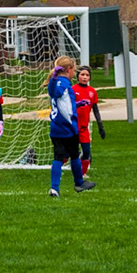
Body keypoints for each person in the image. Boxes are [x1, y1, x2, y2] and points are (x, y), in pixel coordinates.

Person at [47, 55, 93, 196]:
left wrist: (77, 104)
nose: (75, 73)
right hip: (66, 127)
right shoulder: (63, 83)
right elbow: (59, 96)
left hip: (55, 128)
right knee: (74, 155)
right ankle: (79, 183)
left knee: (58, 157)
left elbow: (60, 100)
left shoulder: (55, 82)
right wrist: (72, 123)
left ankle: (54, 188)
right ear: (68, 70)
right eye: (74, 70)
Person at [73, 65, 104, 171]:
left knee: (86, 151)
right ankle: (60, 168)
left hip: (84, 126)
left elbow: (95, 109)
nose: (85, 77)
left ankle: (83, 173)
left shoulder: (92, 92)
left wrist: (100, 125)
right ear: (78, 76)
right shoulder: (73, 90)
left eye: (87, 75)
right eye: (82, 74)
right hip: (73, 126)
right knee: (71, 152)